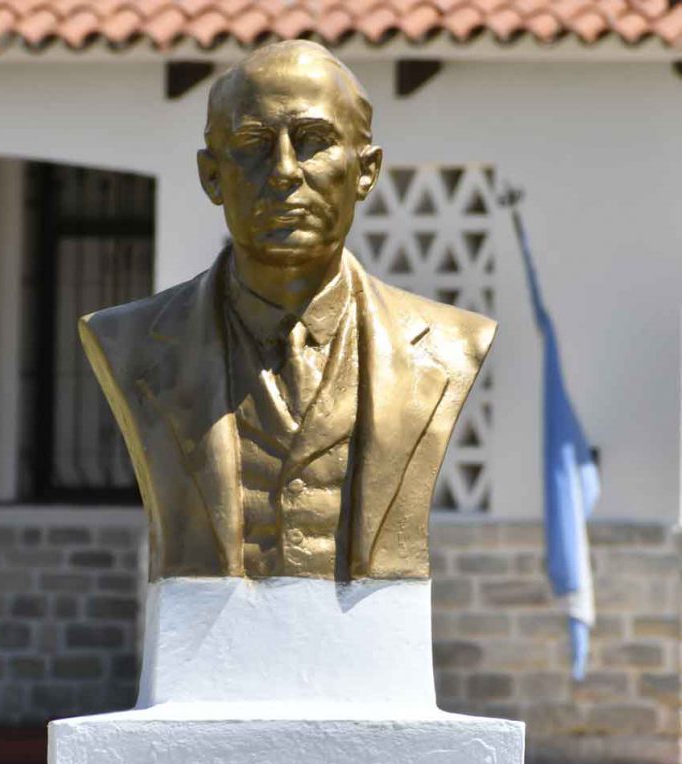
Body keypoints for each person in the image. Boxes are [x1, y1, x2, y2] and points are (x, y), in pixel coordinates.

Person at [80, 40, 496, 582]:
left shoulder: (450, 345)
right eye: (253, 143)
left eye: (312, 142)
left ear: (365, 171)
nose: (282, 172)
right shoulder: (128, 342)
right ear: (211, 175)